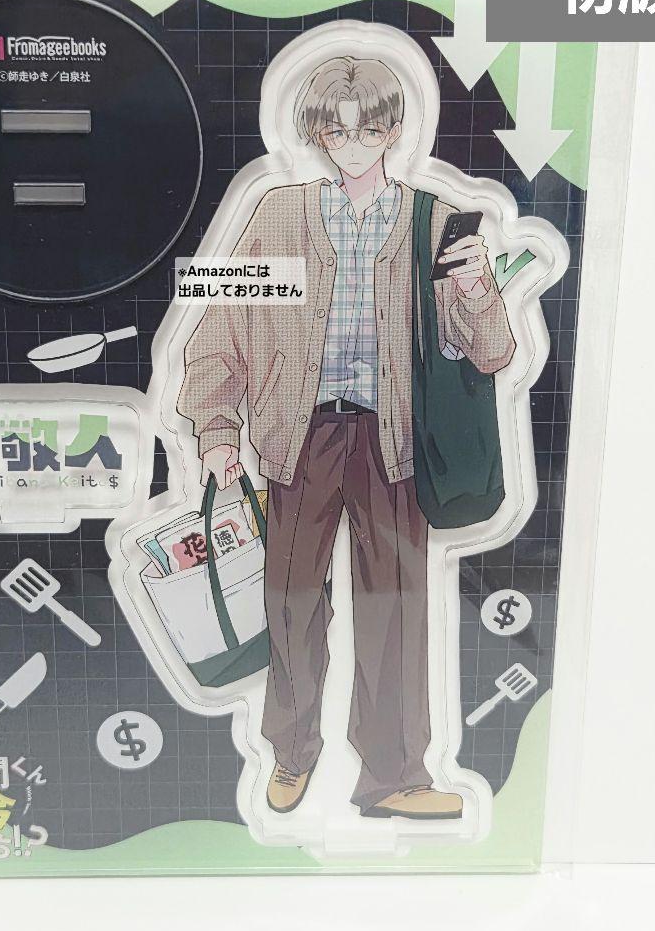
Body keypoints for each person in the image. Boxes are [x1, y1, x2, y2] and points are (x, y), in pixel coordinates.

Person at [178, 55, 515, 819]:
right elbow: (223, 322)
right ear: (317, 134)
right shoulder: (278, 212)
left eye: (368, 130)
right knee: (292, 600)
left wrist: (475, 287)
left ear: (394, 131)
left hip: (395, 443)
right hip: (296, 437)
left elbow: (492, 354)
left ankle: (395, 776)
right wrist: (217, 428)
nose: (352, 145)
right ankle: (290, 751)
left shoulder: (434, 219)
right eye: (336, 131)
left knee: (395, 606)